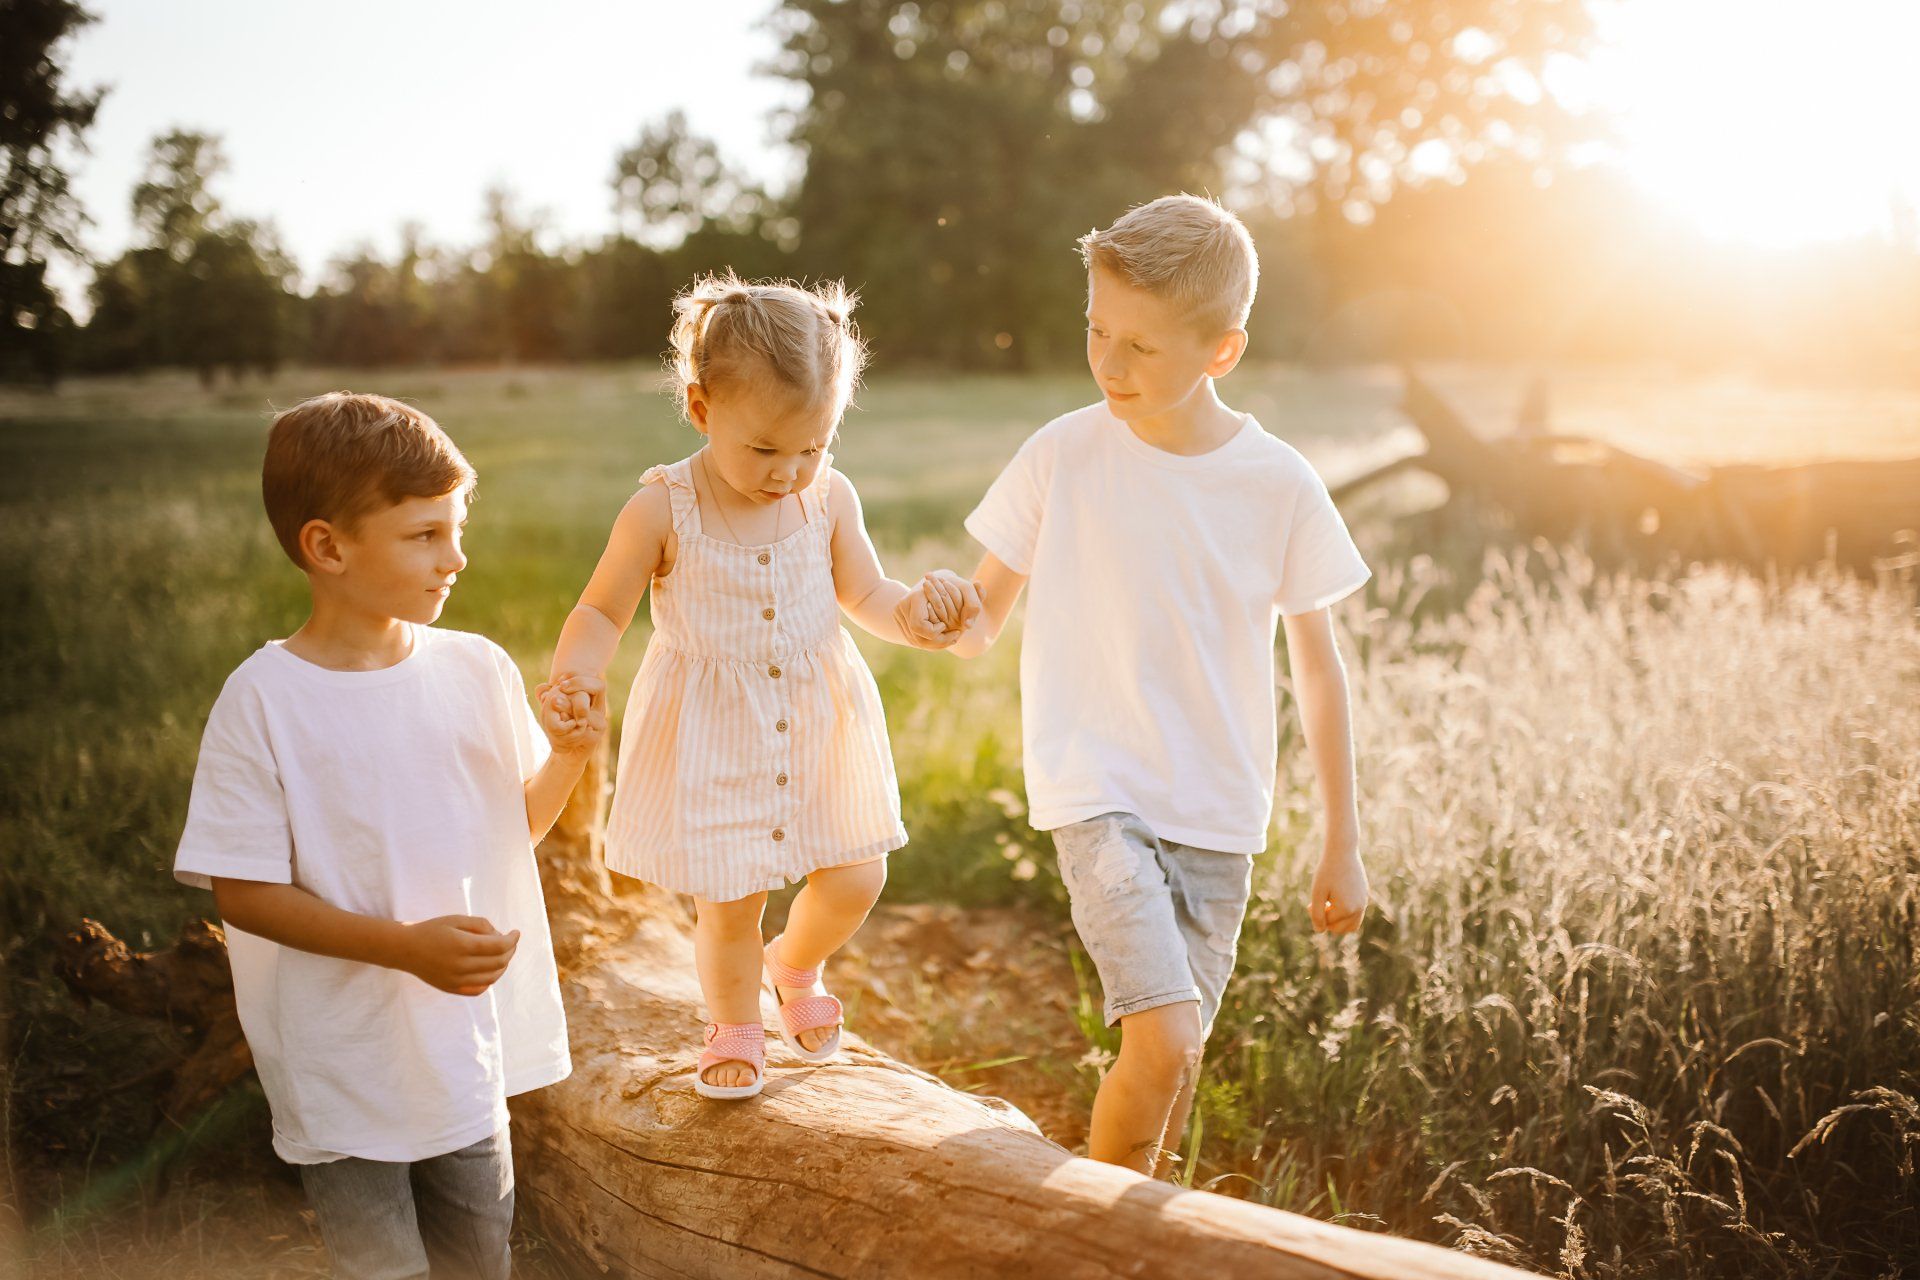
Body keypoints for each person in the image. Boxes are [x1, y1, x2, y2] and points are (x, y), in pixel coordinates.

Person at [949, 195, 1372, 1176]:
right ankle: (1081, 1238)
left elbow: (1319, 668)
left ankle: (1128, 1230)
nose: (1107, 364)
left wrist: (1341, 839)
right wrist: (911, 602)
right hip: (1097, 789)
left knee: (1174, 1067)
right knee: (1168, 1039)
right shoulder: (1064, 452)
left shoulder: (1280, 484)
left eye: (1139, 346)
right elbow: (975, 620)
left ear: (1221, 352)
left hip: (1221, 813)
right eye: (1097, 330)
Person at [173, 391, 602, 1279]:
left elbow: (507, 831)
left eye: (457, 527)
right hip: (343, 1054)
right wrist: (403, 949)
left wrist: (566, 759)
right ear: (327, 547)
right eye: (424, 535)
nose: (458, 557)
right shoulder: (265, 701)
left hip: (459, 1047)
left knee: (480, 1258)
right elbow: (243, 895)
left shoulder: (474, 669)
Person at [542, 273, 975, 1100]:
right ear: (702, 410)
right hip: (718, 732)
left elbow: (867, 597)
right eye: (765, 450)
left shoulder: (831, 499)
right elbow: (602, 608)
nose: (788, 472)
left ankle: (797, 964)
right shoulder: (663, 508)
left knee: (858, 875)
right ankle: (735, 1026)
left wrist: (918, 615)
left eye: (813, 448)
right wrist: (576, 670)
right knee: (731, 903)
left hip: (818, 721)